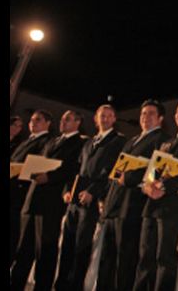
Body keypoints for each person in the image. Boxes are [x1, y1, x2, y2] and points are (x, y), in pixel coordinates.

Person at [133, 98, 178, 291]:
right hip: (151, 205)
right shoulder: (167, 142)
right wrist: (147, 185)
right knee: (144, 256)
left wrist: (164, 186)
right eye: (177, 112)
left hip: (174, 205)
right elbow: (151, 171)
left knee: (164, 258)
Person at [10, 110, 86, 291]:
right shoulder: (52, 141)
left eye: (67, 119)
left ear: (77, 123)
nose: (63, 122)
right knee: (23, 250)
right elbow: (38, 162)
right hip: (32, 198)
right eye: (62, 119)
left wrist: (50, 177)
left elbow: (72, 168)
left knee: (45, 252)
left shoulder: (79, 143)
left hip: (51, 203)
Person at [97, 99, 167, 291]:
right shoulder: (131, 140)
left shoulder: (162, 140)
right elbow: (117, 171)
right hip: (114, 204)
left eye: (151, 113)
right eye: (143, 113)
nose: (146, 117)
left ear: (160, 118)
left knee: (126, 260)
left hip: (133, 206)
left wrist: (128, 178)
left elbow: (154, 171)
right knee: (107, 258)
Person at [55, 104, 126, 291]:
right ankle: (61, 284)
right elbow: (76, 169)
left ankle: (75, 285)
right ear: (96, 119)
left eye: (110, 116)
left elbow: (111, 171)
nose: (105, 119)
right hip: (74, 200)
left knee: (82, 247)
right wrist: (67, 190)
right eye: (102, 115)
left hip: (92, 201)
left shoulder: (118, 141)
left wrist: (93, 192)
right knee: (67, 245)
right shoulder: (88, 143)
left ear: (114, 120)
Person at [10, 111, 53, 265]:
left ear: (47, 123)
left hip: (21, 193)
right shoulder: (26, 140)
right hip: (13, 190)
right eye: (31, 120)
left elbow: (37, 166)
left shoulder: (46, 141)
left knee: (14, 235)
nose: (32, 123)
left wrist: (17, 168)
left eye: (38, 120)